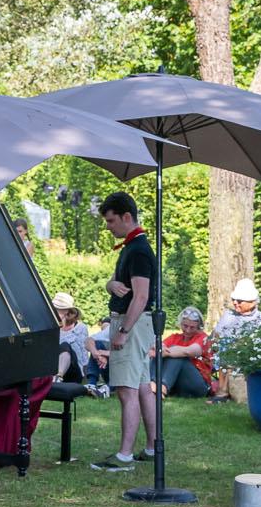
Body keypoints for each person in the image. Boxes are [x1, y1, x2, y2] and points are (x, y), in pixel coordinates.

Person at [91, 190, 157, 471]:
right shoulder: (134, 247)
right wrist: (109, 285)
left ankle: (124, 456)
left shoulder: (139, 249)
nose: (108, 226)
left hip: (132, 322)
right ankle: (153, 448)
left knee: (126, 390)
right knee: (142, 387)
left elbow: (141, 297)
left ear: (126, 217)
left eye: (110, 220)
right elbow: (122, 284)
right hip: (138, 323)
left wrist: (123, 331)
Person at [158, 306, 215, 398]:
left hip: (198, 385)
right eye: (185, 326)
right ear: (180, 324)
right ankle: (153, 383)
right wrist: (160, 351)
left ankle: (162, 387)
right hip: (180, 384)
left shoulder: (203, 338)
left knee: (179, 356)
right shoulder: (175, 337)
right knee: (157, 353)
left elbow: (189, 351)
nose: (188, 330)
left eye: (192, 327)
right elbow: (156, 347)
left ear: (199, 327)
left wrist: (164, 351)